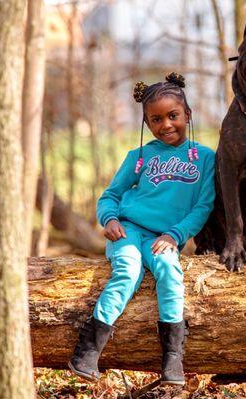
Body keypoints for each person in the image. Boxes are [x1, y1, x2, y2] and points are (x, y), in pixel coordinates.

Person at [68, 72, 215, 385]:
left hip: (165, 237)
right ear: (147, 124)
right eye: (156, 119)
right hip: (129, 230)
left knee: (169, 271)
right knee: (128, 270)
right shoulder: (139, 157)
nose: (165, 125)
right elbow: (110, 195)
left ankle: (173, 359)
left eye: (173, 116)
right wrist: (109, 220)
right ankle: (88, 350)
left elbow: (202, 207)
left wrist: (174, 235)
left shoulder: (205, 159)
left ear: (187, 115)